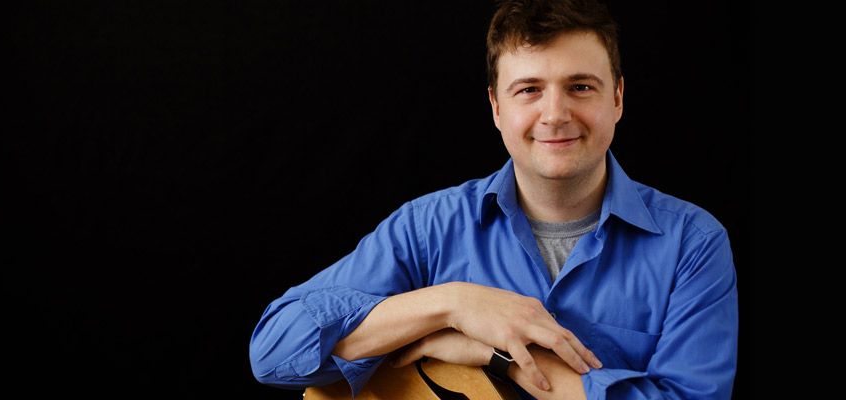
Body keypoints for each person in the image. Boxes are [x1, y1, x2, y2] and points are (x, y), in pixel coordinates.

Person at [249, 0, 739, 398]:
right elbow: (274, 352)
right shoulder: (429, 227)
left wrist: (499, 359)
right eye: (529, 89)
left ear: (617, 98)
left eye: (580, 87)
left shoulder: (692, 244)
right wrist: (452, 305)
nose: (555, 114)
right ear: (495, 107)